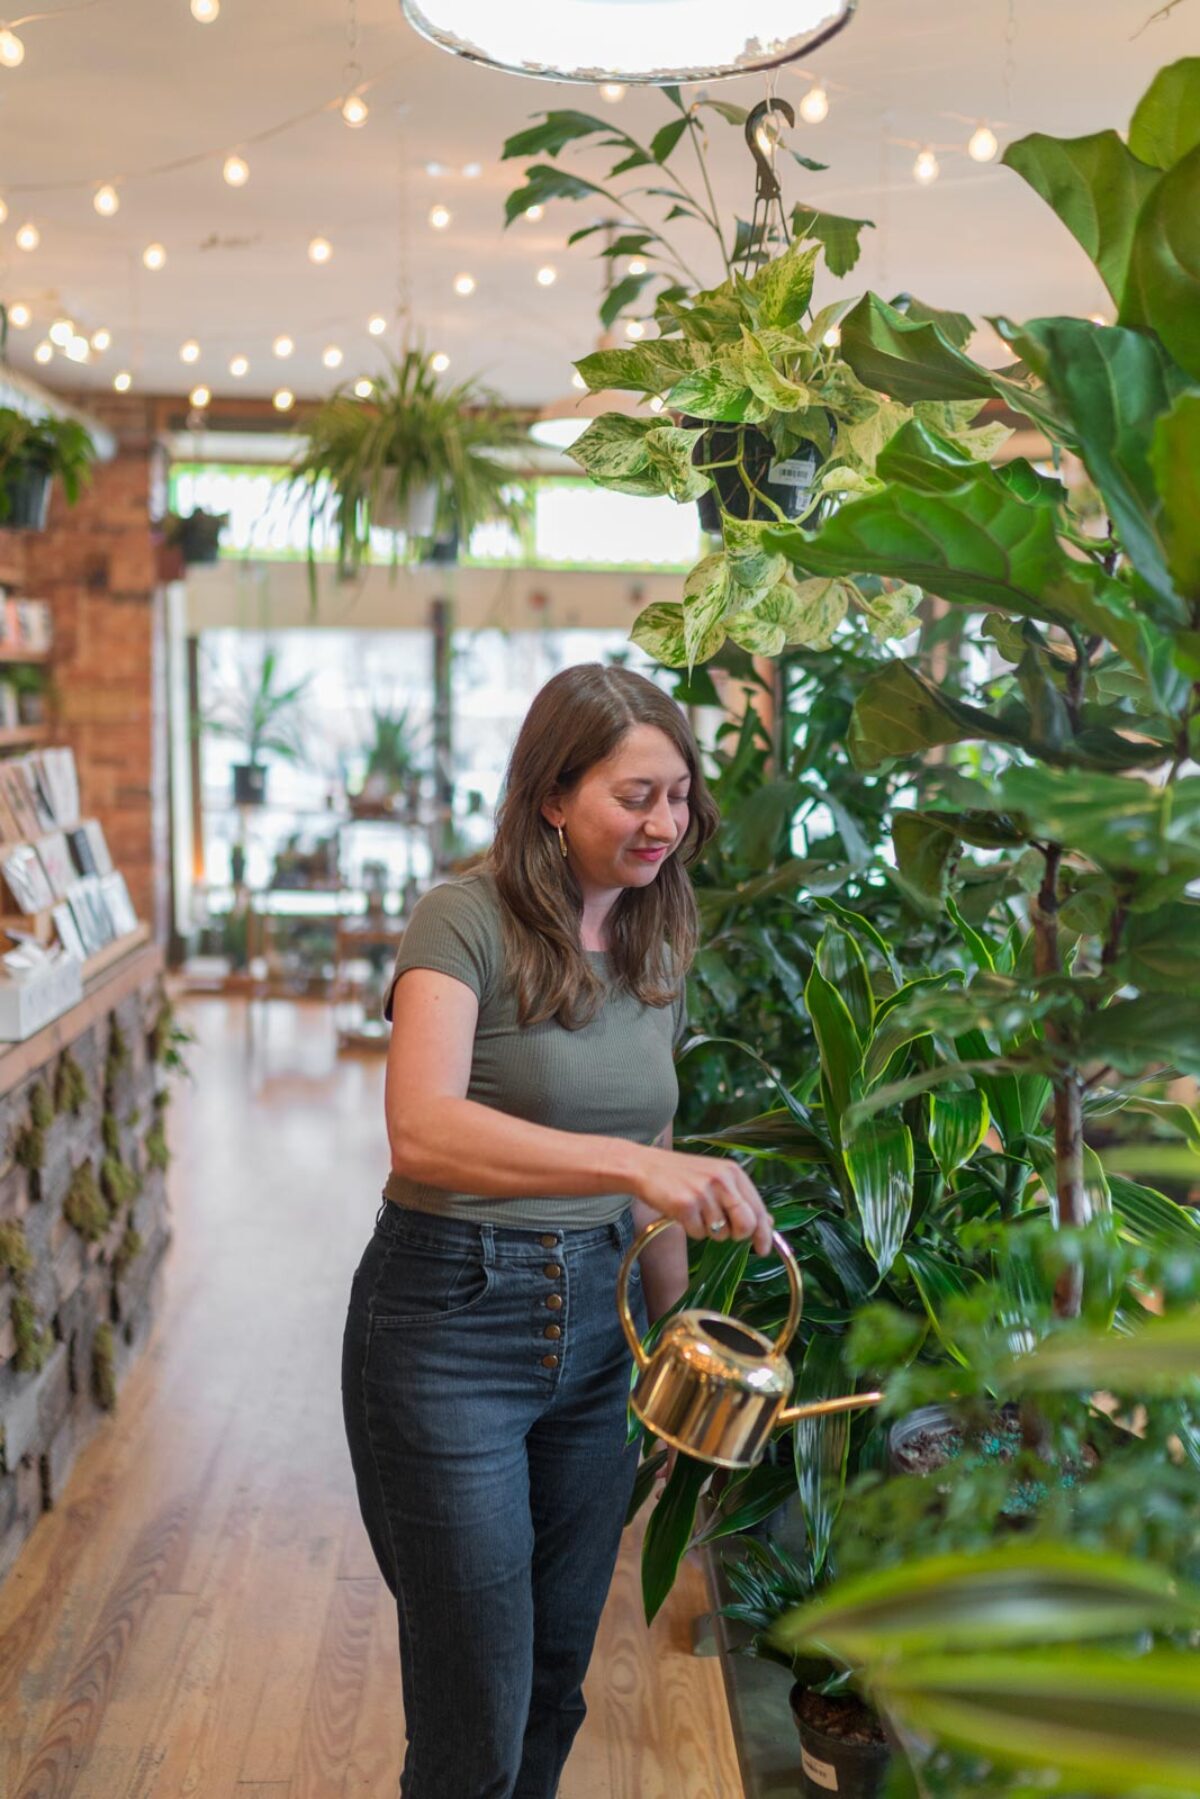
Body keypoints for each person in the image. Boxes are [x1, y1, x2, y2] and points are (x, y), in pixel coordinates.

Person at [341, 662, 774, 1799]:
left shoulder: (657, 939)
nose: (666, 824)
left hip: (600, 1333)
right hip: (449, 1321)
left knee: (555, 1680)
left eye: (680, 796)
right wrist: (637, 1161)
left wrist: (684, 1329)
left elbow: (656, 1144)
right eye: (637, 795)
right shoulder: (462, 917)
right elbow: (423, 1130)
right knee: (475, 1704)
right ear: (552, 794)